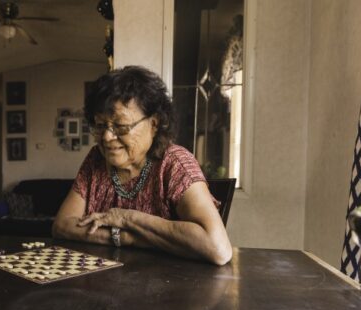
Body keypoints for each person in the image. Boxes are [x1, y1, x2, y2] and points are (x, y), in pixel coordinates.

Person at [52, 66, 232, 265]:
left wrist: (126, 218)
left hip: (169, 287)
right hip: (105, 283)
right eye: (100, 125)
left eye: (120, 126)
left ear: (154, 124)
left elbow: (217, 248)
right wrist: (127, 238)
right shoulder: (96, 160)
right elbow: (62, 225)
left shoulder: (174, 163)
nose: (107, 136)